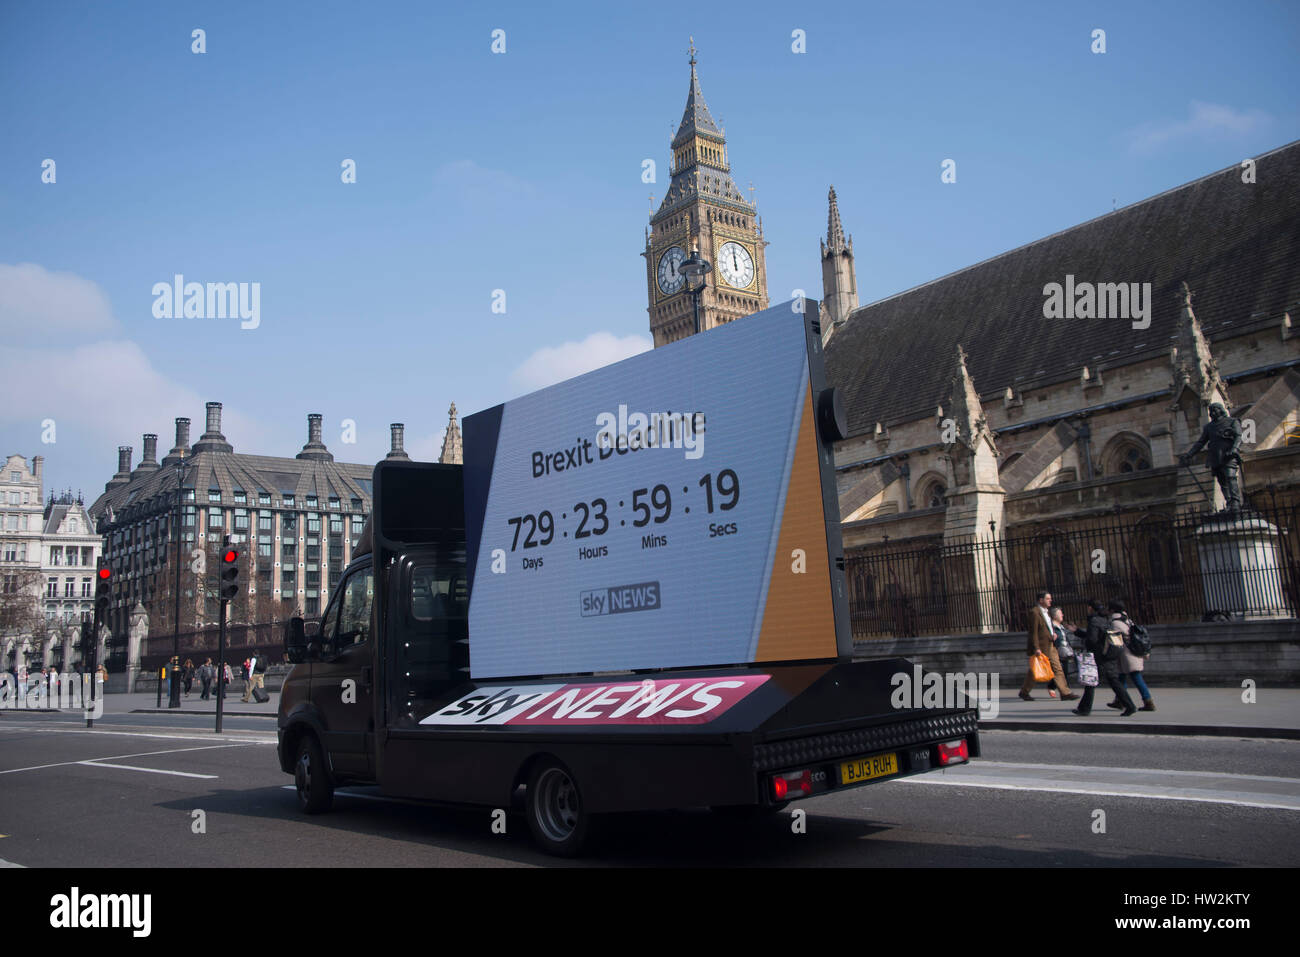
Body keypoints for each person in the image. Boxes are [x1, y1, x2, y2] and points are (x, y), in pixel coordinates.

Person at [1071, 598, 1137, 716]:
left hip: (1098, 656)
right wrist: (1078, 632)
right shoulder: (1105, 619)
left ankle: (1085, 709)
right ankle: (1129, 706)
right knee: (1111, 681)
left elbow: (1092, 639)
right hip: (1108, 654)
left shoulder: (1094, 620)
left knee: (1092, 683)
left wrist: (1085, 644)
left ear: (1090, 608)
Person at [1019, 591, 1077, 701]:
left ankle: (1065, 692)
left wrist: (1052, 635)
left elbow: (1047, 627)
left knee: (1057, 669)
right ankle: (1024, 691)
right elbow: (1033, 632)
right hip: (1041, 647)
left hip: (1051, 644)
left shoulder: (1047, 612)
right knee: (1035, 670)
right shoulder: (1034, 612)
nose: (1050, 600)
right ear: (1041, 600)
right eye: (1048, 599)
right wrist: (1036, 647)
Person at [1107, 599, 1156, 712]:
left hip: (1126, 655)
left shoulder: (1114, 623)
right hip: (1134, 653)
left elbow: (1115, 642)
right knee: (1121, 678)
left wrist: (1109, 655)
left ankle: (1148, 701)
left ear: (1112, 610)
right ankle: (1119, 700)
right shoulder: (1128, 620)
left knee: (1136, 678)